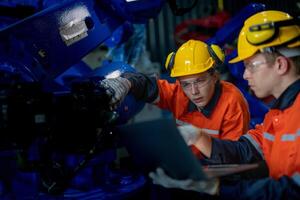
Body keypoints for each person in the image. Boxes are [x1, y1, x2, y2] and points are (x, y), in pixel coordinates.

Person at [149, 10, 300, 199]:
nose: (245, 75)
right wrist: (198, 137)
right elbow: (245, 150)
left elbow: (291, 190)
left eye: (251, 65)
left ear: (280, 65)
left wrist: (217, 189)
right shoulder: (277, 115)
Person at [100, 39, 250, 156]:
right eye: (186, 84)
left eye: (200, 81)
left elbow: (234, 156)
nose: (193, 91)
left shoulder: (232, 101)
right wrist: (126, 82)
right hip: (187, 168)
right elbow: (149, 86)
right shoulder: (180, 94)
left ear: (215, 76)